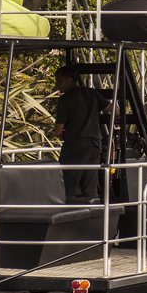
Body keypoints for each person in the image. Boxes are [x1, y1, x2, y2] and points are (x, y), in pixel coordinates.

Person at [52, 67, 108, 204]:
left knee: (68, 180)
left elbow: (58, 129)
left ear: (70, 80)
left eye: (60, 82)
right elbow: (114, 110)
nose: (58, 85)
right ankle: (93, 207)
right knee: (91, 179)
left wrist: (59, 134)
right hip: (94, 143)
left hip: (75, 145)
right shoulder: (92, 93)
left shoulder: (65, 100)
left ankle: (68, 208)